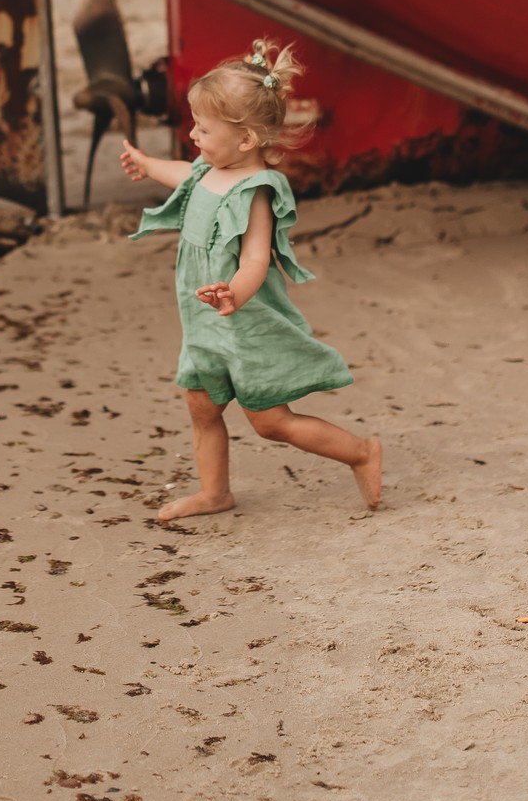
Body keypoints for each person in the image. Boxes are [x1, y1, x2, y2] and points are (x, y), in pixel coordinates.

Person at [120, 38, 382, 522]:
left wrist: (233, 295)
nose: (194, 135)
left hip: (241, 318)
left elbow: (257, 260)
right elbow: (184, 173)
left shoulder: (256, 190)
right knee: (202, 407)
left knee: (270, 422)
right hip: (202, 318)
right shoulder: (210, 169)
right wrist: (146, 164)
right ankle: (214, 493)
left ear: (245, 141)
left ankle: (361, 452)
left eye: (203, 128)